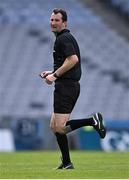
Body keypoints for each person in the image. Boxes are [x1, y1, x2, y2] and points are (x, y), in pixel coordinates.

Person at [39, 8, 106, 170]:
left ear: (64, 23)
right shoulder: (63, 38)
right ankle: (67, 163)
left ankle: (92, 120)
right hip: (66, 84)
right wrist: (51, 72)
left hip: (67, 86)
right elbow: (67, 62)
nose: (53, 23)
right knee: (54, 127)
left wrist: (54, 76)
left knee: (60, 127)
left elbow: (73, 59)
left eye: (57, 20)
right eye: (52, 20)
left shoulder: (63, 38)